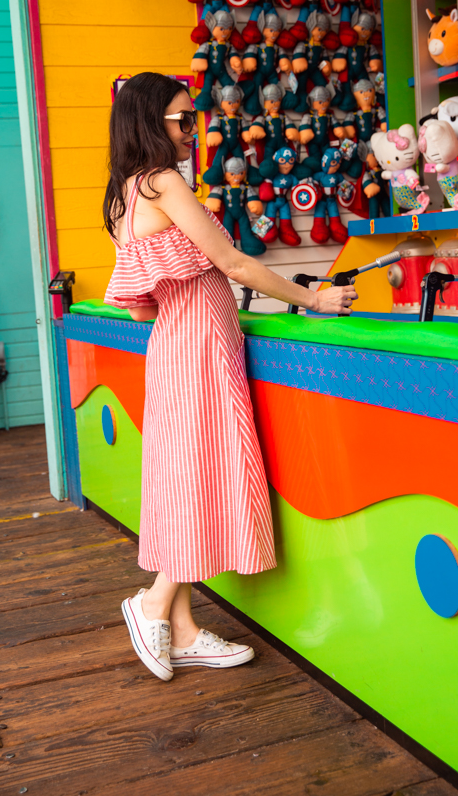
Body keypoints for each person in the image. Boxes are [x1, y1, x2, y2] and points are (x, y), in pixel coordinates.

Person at [103, 72, 358, 682]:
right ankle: (154, 602)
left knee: (184, 475)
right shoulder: (163, 182)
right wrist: (317, 297)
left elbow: (141, 303)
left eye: (194, 119)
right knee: (201, 472)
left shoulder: (126, 194)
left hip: (176, 345)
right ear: (149, 122)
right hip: (200, 350)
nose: (195, 129)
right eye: (183, 120)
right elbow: (235, 260)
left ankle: (184, 631)